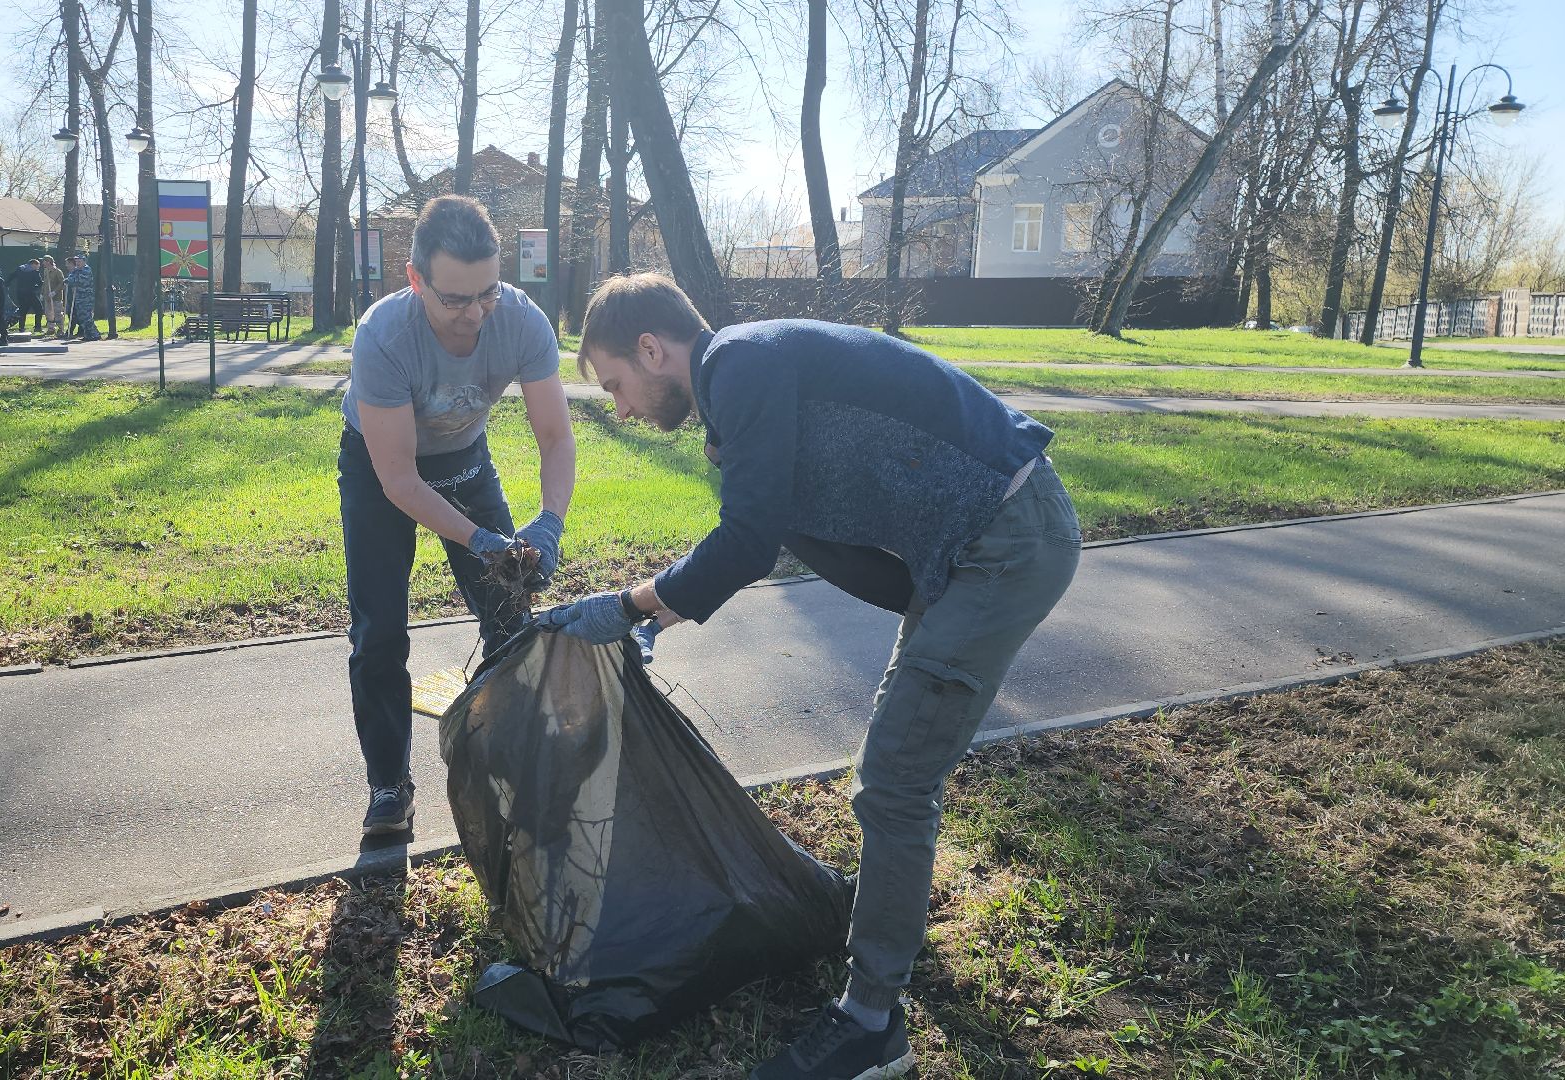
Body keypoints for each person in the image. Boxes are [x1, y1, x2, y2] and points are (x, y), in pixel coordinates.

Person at [544, 274, 1081, 1080]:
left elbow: (749, 540)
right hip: (977, 549)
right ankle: (884, 921)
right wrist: (661, 614)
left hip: (1006, 538)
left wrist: (627, 604)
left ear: (652, 348)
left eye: (615, 383)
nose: (619, 407)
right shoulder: (742, 394)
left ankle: (872, 1026)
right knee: (895, 763)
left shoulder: (738, 362)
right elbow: (785, 524)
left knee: (895, 781)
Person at [341, 194, 575, 835]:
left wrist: (548, 524)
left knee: (510, 612)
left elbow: (555, 437)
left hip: (463, 455)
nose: (475, 314)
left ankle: (521, 767)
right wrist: (480, 539)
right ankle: (389, 786)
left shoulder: (522, 322)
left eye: (488, 293)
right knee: (379, 629)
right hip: (380, 464)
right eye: (455, 299)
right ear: (415, 280)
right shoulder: (383, 335)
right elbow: (398, 479)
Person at [64, 255, 99, 342]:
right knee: (81, 317)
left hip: (86, 297)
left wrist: (71, 281)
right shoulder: (76, 270)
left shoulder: (86, 270)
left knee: (87, 317)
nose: (77, 263)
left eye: (79, 261)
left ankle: (95, 334)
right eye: (76, 261)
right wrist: (68, 280)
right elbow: (70, 277)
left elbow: (81, 281)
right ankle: (87, 335)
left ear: (84, 262)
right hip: (78, 297)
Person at [9, 258, 44, 334]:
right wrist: (35, 287)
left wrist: (7, 284)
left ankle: (21, 328)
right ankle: (37, 327)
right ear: (33, 264)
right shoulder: (34, 272)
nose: (38, 267)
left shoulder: (20, 269)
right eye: (38, 266)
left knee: (23, 311)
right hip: (30, 293)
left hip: (20, 294)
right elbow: (40, 283)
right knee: (39, 309)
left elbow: (11, 276)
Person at [40, 254, 66, 338]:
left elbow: (62, 283)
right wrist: (42, 293)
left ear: (48, 262)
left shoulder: (57, 271)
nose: (42, 263)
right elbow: (45, 283)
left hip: (56, 297)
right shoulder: (46, 271)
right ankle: (51, 329)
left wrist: (54, 292)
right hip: (47, 297)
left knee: (58, 314)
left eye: (44, 261)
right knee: (48, 314)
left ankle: (60, 329)